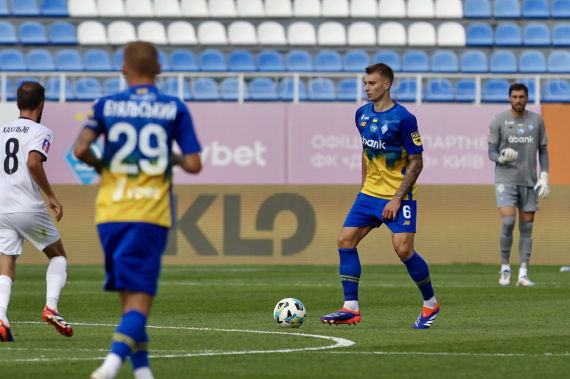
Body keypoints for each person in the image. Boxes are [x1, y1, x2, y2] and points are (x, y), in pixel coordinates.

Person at [74, 41, 202, 379]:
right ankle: (110, 367)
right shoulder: (173, 108)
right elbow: (193, 163)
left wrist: (106, 167)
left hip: (110, 213)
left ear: (123, 70)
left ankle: (143, 372)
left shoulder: (105, 105)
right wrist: (168, 158)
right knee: (141, 303)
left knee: (129, 301)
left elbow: (80, 148)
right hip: (148, 213)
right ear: (159, 70)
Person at [320, 63, 439, 329]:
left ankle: (430, 303)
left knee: (403, 249)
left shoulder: (404, 118)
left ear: (386, 85)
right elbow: (366, 152)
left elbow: (417, 162)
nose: (366, 88)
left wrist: (397, 198)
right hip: (369, 194)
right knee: (345, 240)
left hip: (399, 195)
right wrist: (364, 187)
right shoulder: (361, 114)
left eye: (371, 83)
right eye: (365, 83)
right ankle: (350, 308)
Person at [0, 82, 73, 342]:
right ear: (41, 104)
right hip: (26, 205)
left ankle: (1, 315)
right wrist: (51, 196)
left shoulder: (1, 130)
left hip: (2, 207)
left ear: (17, 103)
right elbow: (33, 162)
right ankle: (51, 305)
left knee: (6, 260)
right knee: (58, 256)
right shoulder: (42, 131)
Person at [488, 83, 549, 287]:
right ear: (509, 98)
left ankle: (523, 274)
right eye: (514, 96)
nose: (518, 100)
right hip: (505, 180)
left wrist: (545, 176)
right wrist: (502, 159)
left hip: (529, 181)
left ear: (527, 97)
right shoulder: (499, 120)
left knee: (527, 228)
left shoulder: (537, 120)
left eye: (522, 96)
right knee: (508, 222)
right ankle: (505, 269)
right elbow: (492, 153)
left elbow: (543, 150)